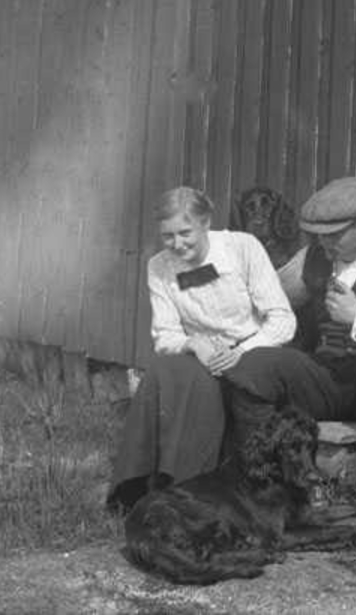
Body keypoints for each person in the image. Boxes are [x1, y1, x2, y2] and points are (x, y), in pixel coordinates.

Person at [226, 176, 356, 537]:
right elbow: (271, 300)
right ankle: (264, 489)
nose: (325, 243)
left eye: (335, 234)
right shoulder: (313, 258)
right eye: (318, 235)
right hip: (325, 380)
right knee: (254, 367)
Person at [108, 187, 296, 509]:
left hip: (253, 350)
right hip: (203, 355)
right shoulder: (159, 267)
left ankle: (220, 492)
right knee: (164, 371)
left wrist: (242, 351)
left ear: (205, 223)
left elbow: (282, 319)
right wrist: (194, 343)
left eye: (185, 233)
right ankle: (142, 488)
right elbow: (165, 336)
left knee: (242, 375)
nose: (177, 245)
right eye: (168, 236)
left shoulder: (242, 248)